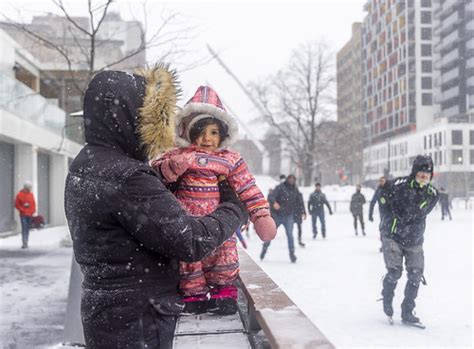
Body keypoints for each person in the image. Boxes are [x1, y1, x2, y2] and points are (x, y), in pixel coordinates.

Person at [64, 66, 249, 349]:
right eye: (150, 119)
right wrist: (234, 208)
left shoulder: (85, 163)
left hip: (107, 314)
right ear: (130, 118)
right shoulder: (127, 177)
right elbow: (191, 240)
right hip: (138, 321)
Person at [152, 85, 276, 315]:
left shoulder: (230, 159)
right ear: (187, 130)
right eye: (200, 131)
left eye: (213, 132)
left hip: (218, 221)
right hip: (185, 221)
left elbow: (247, 187)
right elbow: (154, 175)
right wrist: (170, 169)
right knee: (189, 259)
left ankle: (223, 292)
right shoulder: (177, 155)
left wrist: (260, 214)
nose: (206, 138)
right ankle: (194, 295)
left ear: (223, 134)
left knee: (224, 253)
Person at [380, 155, 438, 326]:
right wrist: (385, 225)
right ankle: (387, 295)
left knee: (416, 274)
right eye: (421, 174)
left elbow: (419, 213)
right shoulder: (398, 186)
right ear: (414, 172)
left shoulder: (432, 194)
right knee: (395, 272)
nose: (424, 178)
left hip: (414, 239)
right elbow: (383, 201)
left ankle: (407, 310)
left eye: (427, 175)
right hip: (393, 236)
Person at [260, 174, 302, 263]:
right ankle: (264, 248)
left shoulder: (295, 190)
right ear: (287, 179)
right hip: (278, 215)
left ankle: (292, 254)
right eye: (290, 179)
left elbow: (299, 202)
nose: (291, 181)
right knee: (271, 233)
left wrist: (302, 212)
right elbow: (271, 196)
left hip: (289, 216)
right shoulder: (281, 187)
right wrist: (274, 203)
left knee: (290, 235)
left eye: (293, 179)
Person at [369, 176, 388, 252]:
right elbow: (372, 202)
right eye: (380, 181)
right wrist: (370, 214)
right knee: (383, 228)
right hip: (383, 214)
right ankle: (383, 245)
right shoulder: (378, 191)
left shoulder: (390, 189)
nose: (382, 182)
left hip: (392, 213)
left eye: (383, 181)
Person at [15, 181, 36, 249]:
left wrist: (33, 211)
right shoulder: (19, 195)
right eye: (28, 188)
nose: (29, 189)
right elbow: (16, 204)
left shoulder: (31, 194)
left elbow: (33, 203)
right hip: (23, 214)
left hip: (29, 214)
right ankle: (24, 242)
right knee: (24, 228)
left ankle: (26, 241)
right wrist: (22, 209)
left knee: (27, 228)